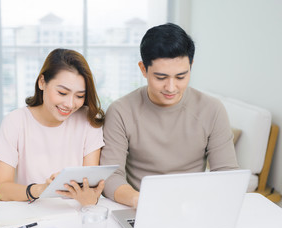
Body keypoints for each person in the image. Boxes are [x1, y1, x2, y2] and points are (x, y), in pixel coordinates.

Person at [100, 23, 239, 207]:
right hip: (139, 207)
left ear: (191, 66)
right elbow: (110, 176)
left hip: (194, 207)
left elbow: (226, 174)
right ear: (143, 69)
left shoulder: (212, 109)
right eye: (161, 78)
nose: (171, 88)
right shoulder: (120, 111)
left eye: (181, 77)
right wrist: (140, 201)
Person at [0, 48, 105, 206]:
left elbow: (90, 189)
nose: (70, 104)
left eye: (80, 96)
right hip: (29, 215)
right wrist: (40, 190)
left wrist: (91, 198)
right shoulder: (16, 121)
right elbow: (0, 190)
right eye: (62, 93)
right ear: (42, 82)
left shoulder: (89, 120)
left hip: (73, 215)